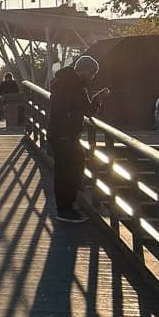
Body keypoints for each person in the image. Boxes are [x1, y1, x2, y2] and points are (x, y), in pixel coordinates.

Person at [49, 55, 108, 224]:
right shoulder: (65, 84)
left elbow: (87, 111)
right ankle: (64, 209)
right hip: (63, 135)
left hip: (68, 136)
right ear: (84, 70)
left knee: (74, 169)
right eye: (92, 73)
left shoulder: (76, 86)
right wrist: (66, 129)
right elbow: (62, 109)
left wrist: (98, 99)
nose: (92, 77)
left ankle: (68, 206)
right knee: (66, 173)